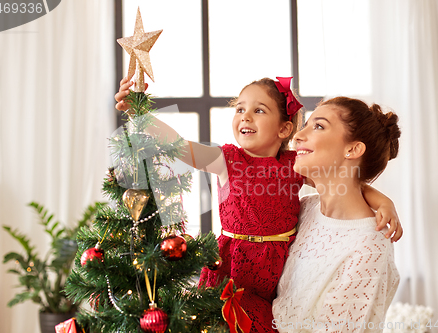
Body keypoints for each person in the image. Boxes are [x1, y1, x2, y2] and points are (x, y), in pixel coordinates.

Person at [115, 78, 402, 333]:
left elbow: (349, 184)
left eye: (259, 110)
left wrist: (383, 201)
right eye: (239, 109)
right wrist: (140, 115)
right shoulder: (231, 161)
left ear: (284, 128)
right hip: (231, 264)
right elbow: (179, 146)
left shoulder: (294, 166)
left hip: (269, 276)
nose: (245, 116)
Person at [272, 97, 401, 332]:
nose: (297, 136)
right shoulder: (304, 209)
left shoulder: (370, 246)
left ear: (352, 149)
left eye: (318, 126)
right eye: (306, 125)